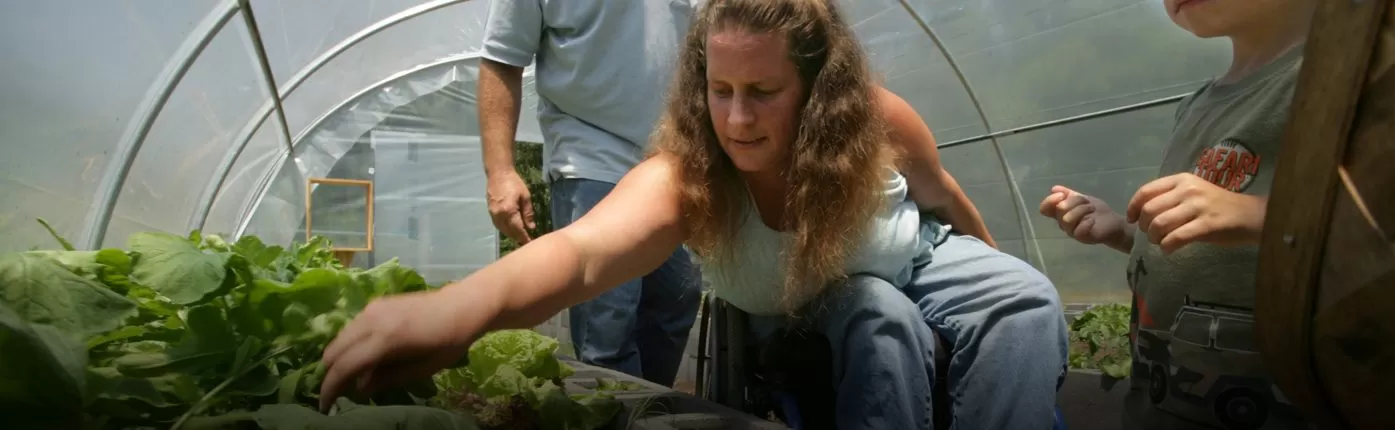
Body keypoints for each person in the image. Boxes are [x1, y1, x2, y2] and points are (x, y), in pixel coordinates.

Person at [320, 0, 1062, 428]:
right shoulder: (688, 173)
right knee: (880, 316)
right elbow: (582, 255)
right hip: (835, 295)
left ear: (818, 89)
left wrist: (990, 270)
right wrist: (458, 310)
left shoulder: (874, 119)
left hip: (920, 254)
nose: (736, 118)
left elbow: (944, 199)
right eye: (720, 88)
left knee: (1025, 300)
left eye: (764, 92)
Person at [1038, 0, 1315, 429]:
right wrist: (1125, 233)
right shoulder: (1197, 105)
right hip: (1159, 400)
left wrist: (1264, 215)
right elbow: (1211, 242)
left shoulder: (1338, 80)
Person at [475, 0, 705, 387]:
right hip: (590, 149)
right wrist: (499, 171)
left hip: (673, 154)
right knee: (608, 322)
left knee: (675, 300)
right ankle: (619, 410)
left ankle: (646, 410)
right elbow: (501, 57)